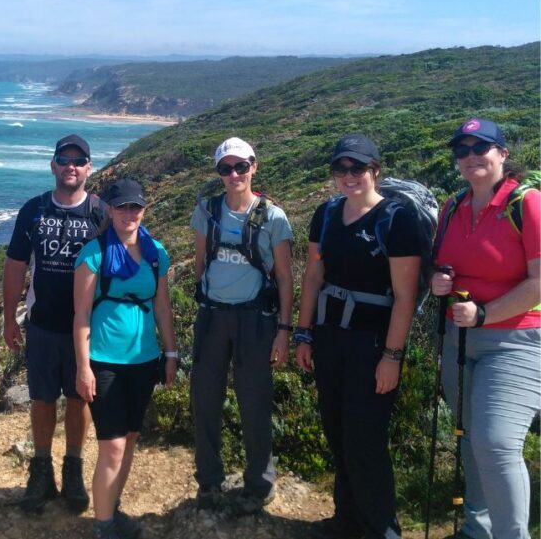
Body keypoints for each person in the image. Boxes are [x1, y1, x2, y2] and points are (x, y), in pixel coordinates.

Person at [294, 134, 425, 539]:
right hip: (330, 337)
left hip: (371, 345)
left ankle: (381, 528)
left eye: (358, 168)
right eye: (341, 169)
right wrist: (303, 333)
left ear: (375, 171)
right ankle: (346, 520)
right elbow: (314, 275)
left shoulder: (397, 219)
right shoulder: (327, 213)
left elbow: (405, 294)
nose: (349, 176)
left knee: (365, 438)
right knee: (336, 430)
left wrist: (393, 355)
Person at [430, 118, 540, 539]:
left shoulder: (527, 203)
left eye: (482, 147)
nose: (471, 156)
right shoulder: (452, 206)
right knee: (469, 438)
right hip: (460, 339)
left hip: (517, 340)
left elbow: (539, 280)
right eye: (463, 150)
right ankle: (477, 529)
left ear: (503, 154)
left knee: (495, 443)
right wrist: (437, 281)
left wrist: (484, 314)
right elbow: (444, 267)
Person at [189, 137, 294, 512]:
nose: (233, 174)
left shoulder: (273, 217)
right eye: (225, 168)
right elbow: (200, 262)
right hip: (213, 316)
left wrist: (284, 331)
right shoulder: (207, 211)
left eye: (240, 166)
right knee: (205, 400)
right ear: (218, 173)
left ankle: (259, 484)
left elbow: (285, 277)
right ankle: (209, 481)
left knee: (254, 403)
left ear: (254, 167)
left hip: (256, 321)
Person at [2, 134, 104, 513]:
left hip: (87, 329)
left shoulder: (100, 212)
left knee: (80, 398)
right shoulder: (34, 210)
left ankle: (73, 467)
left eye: (79, 161)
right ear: (53, 165)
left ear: (89, 168)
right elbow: (15, 266)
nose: (71, 166)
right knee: (42, 399)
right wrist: (10, 318)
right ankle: (41, 469)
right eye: (65, 159)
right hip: (42, 324)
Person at [73, 178, 177, 539]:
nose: (128, 213)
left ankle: (112, 510)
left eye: (135, 207)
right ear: (110, 210)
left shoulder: (155, 252)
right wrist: (83, 367)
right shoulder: (93, 254)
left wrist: (171, 353)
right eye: (121, 207)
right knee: (113, 445)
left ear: (143, 210)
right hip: (104, 361)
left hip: (145, 359)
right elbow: (81, 315)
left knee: (130, 438)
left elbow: (162, 306)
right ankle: (104, 526)